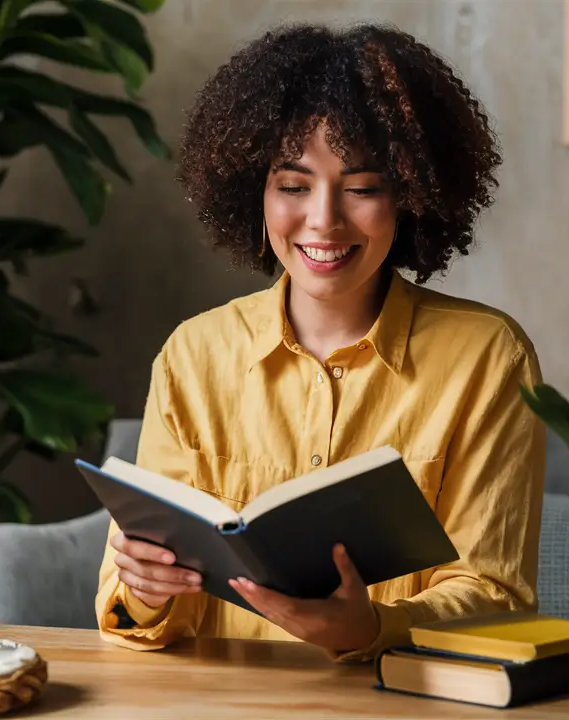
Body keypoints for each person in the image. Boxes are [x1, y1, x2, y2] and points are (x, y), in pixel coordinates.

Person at [94, 21, 546, 663]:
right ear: (255, 190)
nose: (324, 220)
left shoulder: (487, 357)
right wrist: (145, 590)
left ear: (411, 198)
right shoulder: (194, 355)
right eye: (294, 185)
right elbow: (123, 615)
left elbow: (498, 597)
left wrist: (370, 629)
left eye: (362, 188)